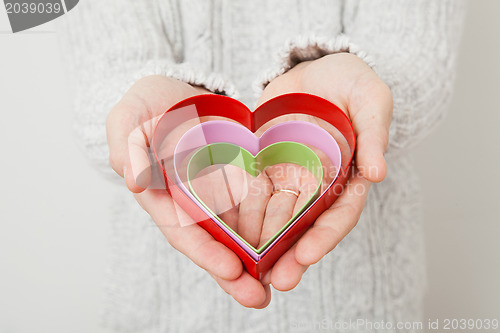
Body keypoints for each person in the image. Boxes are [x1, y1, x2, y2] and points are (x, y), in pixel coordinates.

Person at [59, 0, 466, 331]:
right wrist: (150, 117)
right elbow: (99, 84)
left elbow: (418, 54)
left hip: (363, 304)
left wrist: (363, 89)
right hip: (159, 304)